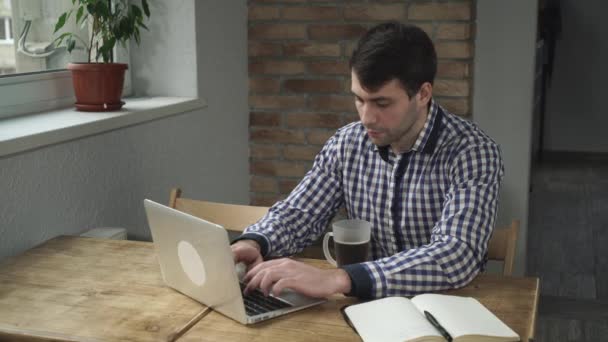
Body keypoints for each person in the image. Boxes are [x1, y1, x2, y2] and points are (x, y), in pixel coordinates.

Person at [232, 21, 504, 300]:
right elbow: (299, 214)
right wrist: (256, 241)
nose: (366, 118)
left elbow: (456, 253)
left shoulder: (472, 152)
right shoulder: (347, 143)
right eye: (359, 100)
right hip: (366, 310)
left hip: (446, 309)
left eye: (382, 104)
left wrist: (340, 278)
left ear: (423, 94)